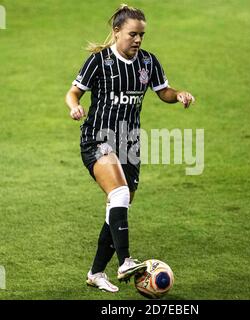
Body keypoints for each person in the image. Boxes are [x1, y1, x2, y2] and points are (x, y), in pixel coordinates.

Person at [65, 4, 195, 293]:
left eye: (142, 36)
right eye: (132, 34)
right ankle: (125, 262)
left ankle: (96, 273)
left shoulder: (148, 62)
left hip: (130, 145)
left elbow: (163, 92)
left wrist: (179, 96)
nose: (138, 40)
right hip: (97, 138)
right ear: (116, 32)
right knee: (119, 194)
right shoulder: (99, 61)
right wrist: (75, 107)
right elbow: (73, 91)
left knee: (118, 206)